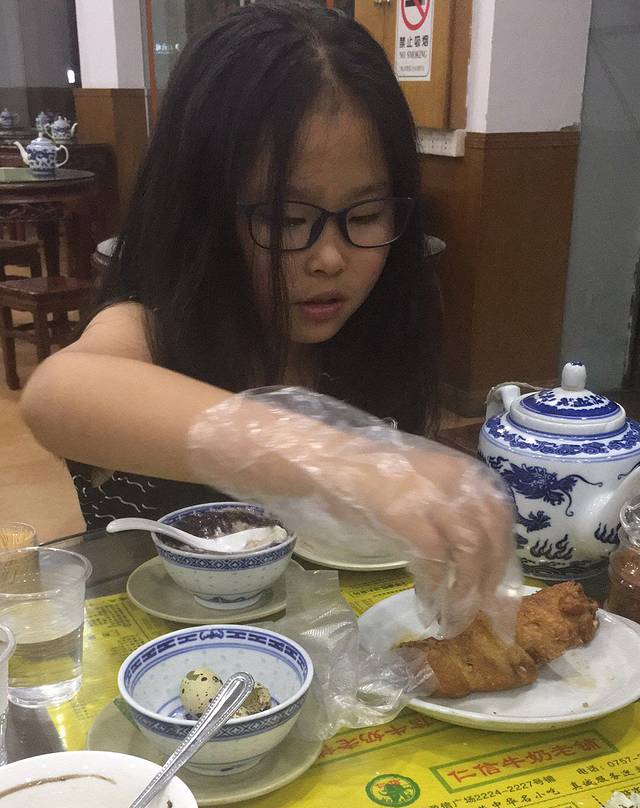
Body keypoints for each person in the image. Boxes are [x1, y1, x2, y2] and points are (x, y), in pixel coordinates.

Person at [21, 0, 513, 627]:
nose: (330, 258)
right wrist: (342, 462)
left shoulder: (374, 334)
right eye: (284, 220)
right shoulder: (151, 328)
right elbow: (61, 394)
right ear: (201, 214)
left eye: (366, 215)